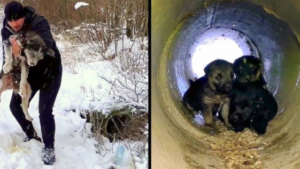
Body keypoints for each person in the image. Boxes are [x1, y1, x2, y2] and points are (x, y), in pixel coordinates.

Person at [1, 1, 62, 165]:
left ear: (23, 16)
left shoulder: (39, 23)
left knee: (45, 110)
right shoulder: (6, 30)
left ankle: (49, 147)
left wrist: (22, 50)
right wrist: (7, 74)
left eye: (17, 20)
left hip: (50, 71)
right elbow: (7, 56)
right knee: (15, 106)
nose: (14, 24)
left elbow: (48, 50)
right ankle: (32, 135)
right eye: (10, 20)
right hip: (30, 75)